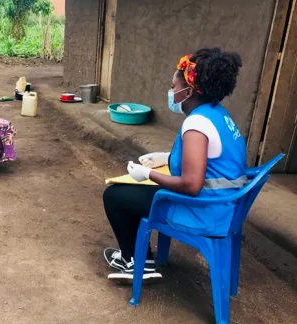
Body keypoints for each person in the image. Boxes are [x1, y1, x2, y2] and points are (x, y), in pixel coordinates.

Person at [102, 48, 245, 282]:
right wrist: (165, 158)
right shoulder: (217, 114)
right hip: (223, 205)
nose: (171, 92)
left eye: (173, 87)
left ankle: (136, 261)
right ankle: (138, 255)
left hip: (204, 210)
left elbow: (191, 185)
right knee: (135, 194)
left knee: (116, 196)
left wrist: (148, 173)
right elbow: (209, 159)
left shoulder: (197, 124)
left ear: (188, 92)